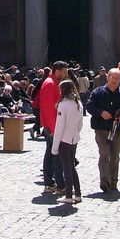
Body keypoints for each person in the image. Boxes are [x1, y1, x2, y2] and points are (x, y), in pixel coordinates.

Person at [86, 68, 120, 193]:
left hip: (118, 131)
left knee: (115, 156)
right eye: (112, 77)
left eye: (117, 78)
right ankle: (104, 180)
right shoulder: (98, 92)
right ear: (107, 77)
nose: (114, 80)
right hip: (101, 129)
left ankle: (113, 181)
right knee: (104, 155)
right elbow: (89, 106)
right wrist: (100, 112)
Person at [51, 79, 84, 204]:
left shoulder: (63, 105)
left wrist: (54, 147)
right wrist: (75, 133)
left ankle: (69, 195)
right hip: (74, 138)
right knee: (72, 166)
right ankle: (78, 194)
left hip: (64, 140)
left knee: (67, 168)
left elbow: (59, 128)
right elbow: (80, 124)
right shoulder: (78, 104)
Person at [39, 61, 68, 193]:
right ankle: (58, 184)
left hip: (53, 125)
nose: (66, 74)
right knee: (56, 155)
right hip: (53, 126)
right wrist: (54, 129)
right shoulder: (50, 85)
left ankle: (50, 183)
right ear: (57, 72)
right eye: (64, 72)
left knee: (51, 154)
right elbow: (49, 109)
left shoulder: (53, 83)